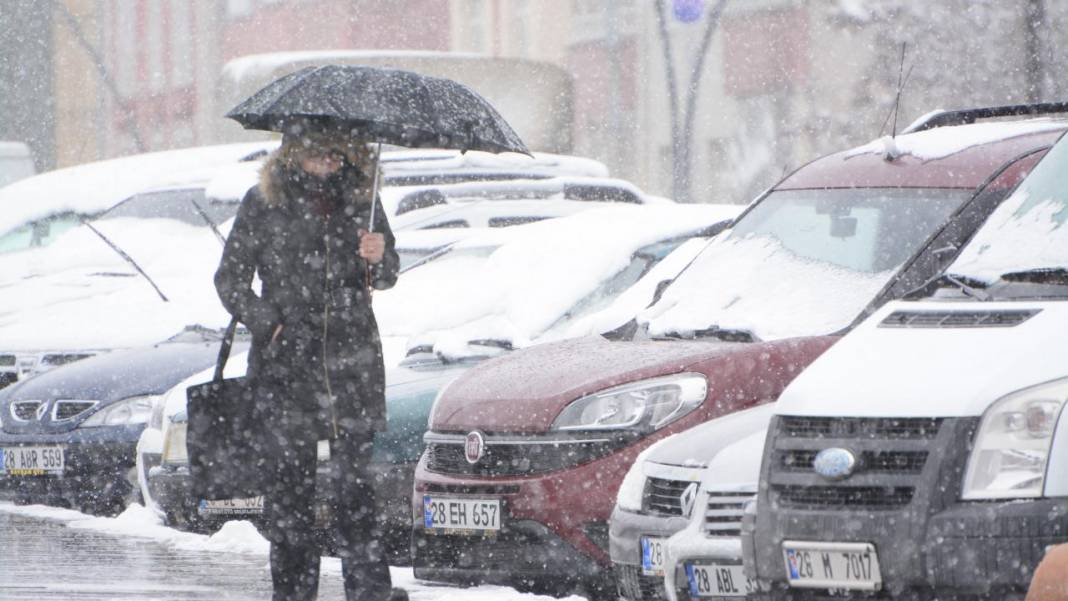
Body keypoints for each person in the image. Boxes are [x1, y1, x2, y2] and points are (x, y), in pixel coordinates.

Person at [214, 126, 406, 601]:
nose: (330, 165)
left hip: (352, 359)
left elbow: (387, 274)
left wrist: (380, 256)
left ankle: (369, 592)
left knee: (355, 490)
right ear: (296, 153)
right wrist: (268, 322)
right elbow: (230, 280)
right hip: (286, 364)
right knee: (290, 493)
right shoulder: (262, 202)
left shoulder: (361, 199)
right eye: (322, 156)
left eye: (339, 158)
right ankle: (294, 592)